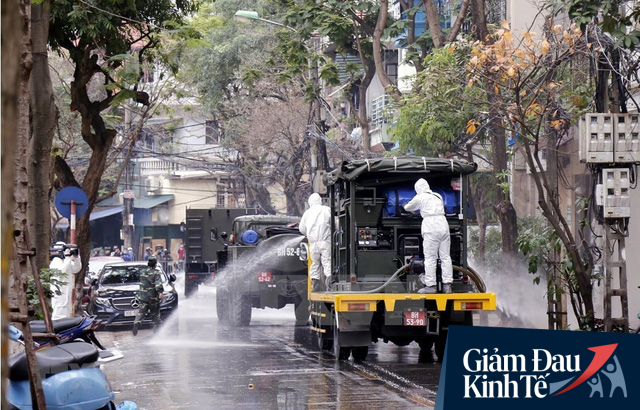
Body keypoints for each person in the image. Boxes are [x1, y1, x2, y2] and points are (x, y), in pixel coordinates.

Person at [403, 178, 453, 294]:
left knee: (430, 258)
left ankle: (431, 286)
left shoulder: (420, 197)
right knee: (445, 257)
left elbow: (408, 208)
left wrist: (405, 205)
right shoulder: (437, 196)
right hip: (443, 224)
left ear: (418, 189)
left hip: (431, 226)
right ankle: (447, 286)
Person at [299, 193, 332, 292]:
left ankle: (315, 283)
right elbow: (335, 223)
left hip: (313, 244)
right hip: (325, 242)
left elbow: (302, 229)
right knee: (327, 262)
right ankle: (329, 284)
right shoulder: (326, 209)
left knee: (315, 263)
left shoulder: (307, 213)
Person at [132, 257, 164, 336]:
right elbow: (158, 283)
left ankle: (136, 323)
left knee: (141, 312)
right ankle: (157, 329)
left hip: (143, 296)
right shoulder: (156, 273)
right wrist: (160, 292)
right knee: (155, 314)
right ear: (155, 265)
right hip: (152, 297)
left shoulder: (142, 271)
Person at [50, 245, 82, 319]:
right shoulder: (55, 261)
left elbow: (76, 269)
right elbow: (62, 271)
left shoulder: (66, 261)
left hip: (67, 290)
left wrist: (76, 257)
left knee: (66, 310)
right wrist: (67, 257)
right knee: (59, 311)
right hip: (59, 291)